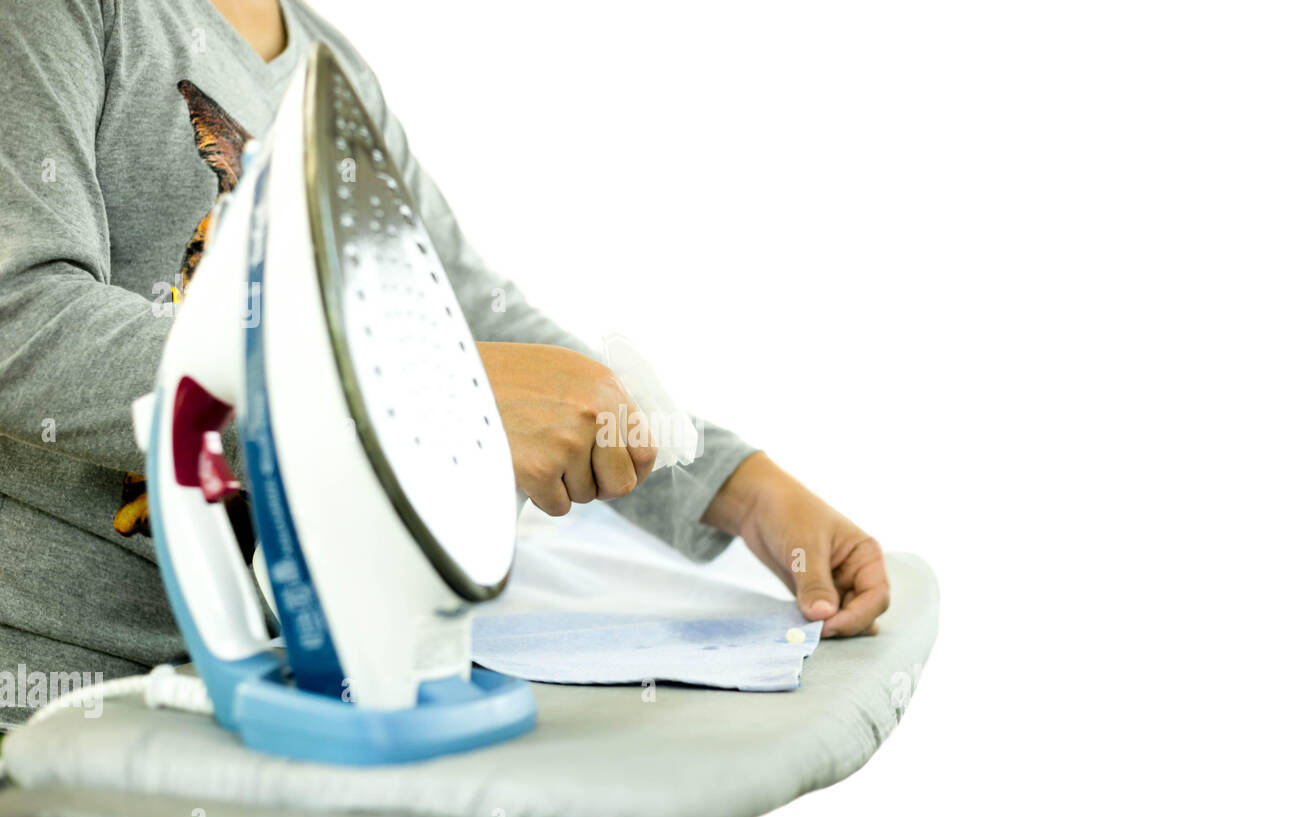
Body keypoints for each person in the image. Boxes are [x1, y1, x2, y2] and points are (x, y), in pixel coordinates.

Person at [0, 0, 889, 727]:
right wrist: (412, 391)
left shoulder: (330, 77)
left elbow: (464, 306)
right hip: (62, 712)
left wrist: (738, 487)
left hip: (288, 688)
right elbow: (19, 319)